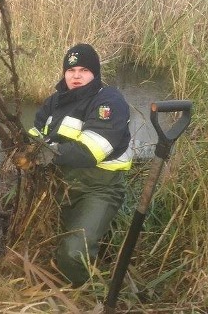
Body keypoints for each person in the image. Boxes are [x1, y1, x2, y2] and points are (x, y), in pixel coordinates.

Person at [28, 43, 132, 287]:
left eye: (84, 70)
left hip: (99, 190)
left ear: (94, 73)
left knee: (72, 255)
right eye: (71, 70)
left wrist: (46, 154)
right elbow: (34, 135)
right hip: (60, 184)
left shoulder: (109, 101)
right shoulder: (54, 101)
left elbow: (90, 152)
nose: (76, 76)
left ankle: (88, 294)